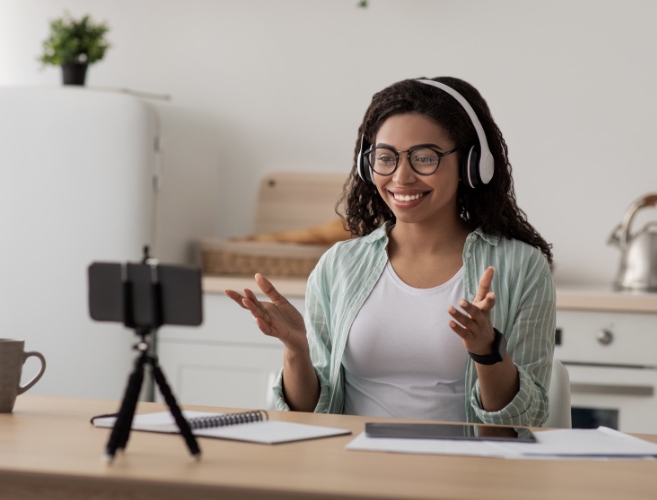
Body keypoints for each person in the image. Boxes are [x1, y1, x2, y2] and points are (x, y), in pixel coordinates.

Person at [225, 76, 556, 427]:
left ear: (472, 164)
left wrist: (489, 352)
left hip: (467, 472)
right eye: (386, 158)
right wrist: (296, 351)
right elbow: (308, 415)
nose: (401, 177)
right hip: (352, 467)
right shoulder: (339, 265)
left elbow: (526, 422)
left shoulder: (521, 267)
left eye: (425, 158)